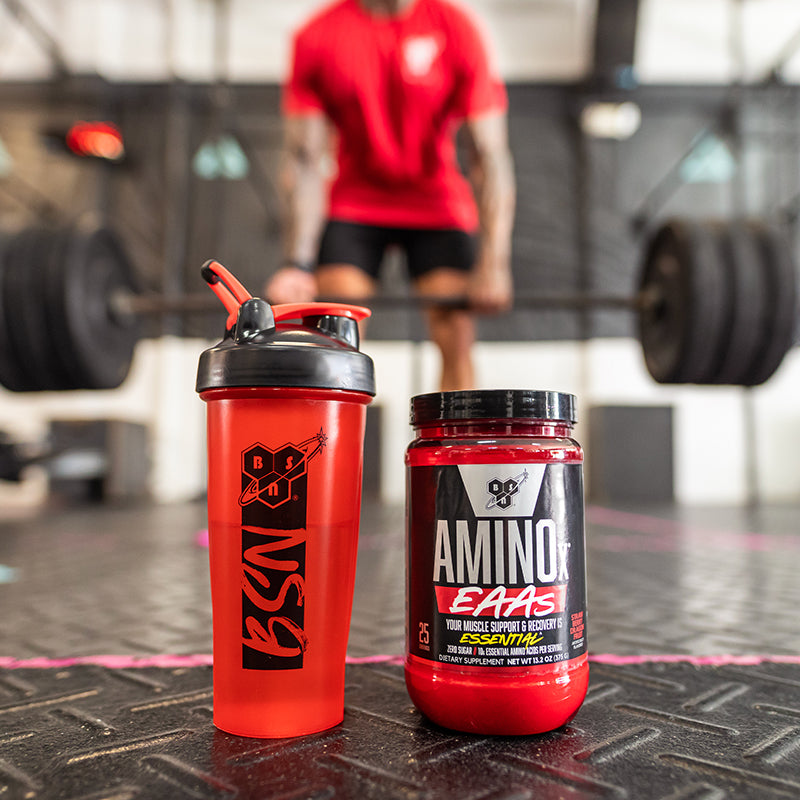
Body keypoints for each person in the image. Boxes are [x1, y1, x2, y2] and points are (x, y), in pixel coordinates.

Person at [265, 0, 515, 391]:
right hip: (355, 204)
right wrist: (297, 263)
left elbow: (489, 155)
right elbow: (304, 160)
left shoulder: (455, 29)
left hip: (437, 204)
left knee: (455, 335)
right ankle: (333, 449)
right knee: (333, 335)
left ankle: (452, 453)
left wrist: (494, 263)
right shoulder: (318, 36)